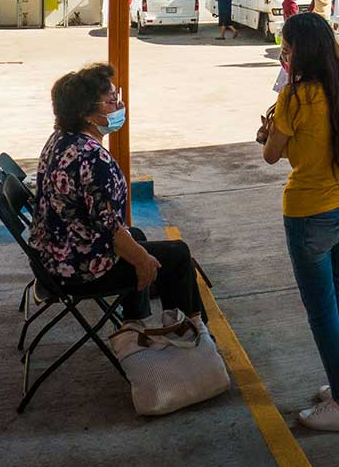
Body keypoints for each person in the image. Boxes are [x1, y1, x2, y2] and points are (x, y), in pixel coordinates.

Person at [257, 12, 339, 432]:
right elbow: (315, 148)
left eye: (286, 49)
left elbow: (273, 154)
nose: (283, 55)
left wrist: (270, 132)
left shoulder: (295, 98)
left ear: (300, 51)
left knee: (321, 312)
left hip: (310, 215)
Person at [29, 63, 207, 321]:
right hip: (77, 269)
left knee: (136, 236)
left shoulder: (60, 139)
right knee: (178, 254)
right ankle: (190, 335)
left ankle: (135, 320)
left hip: (52, 258)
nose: (119, 107)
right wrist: (142, 260)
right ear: (86, 114)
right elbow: (109, 230)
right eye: (111, 101)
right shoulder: (93, 158)